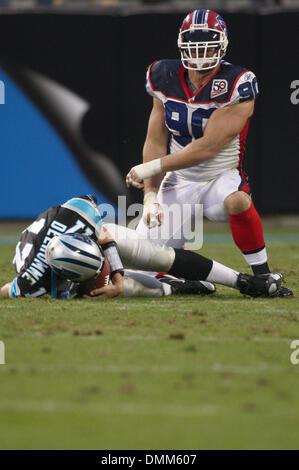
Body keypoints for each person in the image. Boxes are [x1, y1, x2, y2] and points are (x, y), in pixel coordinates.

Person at [126, 8, 293, 298]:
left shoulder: (238, 82)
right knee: (140, 267)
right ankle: (188, 283)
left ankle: (264, 276)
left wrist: (150, 169)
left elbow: (207, 147)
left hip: (219, 177)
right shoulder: (162, 76)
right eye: (195, 41)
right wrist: (150, 195)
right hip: (178, 182)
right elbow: (154, 140)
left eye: (208, 42)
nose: (201, 50)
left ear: (223, 44)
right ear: (181, 42)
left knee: (238, 201)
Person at [0, 195, 281, 300]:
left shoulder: (75, 215)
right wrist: (111, 283)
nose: (103, 269)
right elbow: (7, 288)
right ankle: (174, 288)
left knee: (159, 257)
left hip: (96, 235)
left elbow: (106, 235)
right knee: (102, 291)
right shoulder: (31, 284)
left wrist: (118, 276)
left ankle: (242, 282)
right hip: (53, 260)